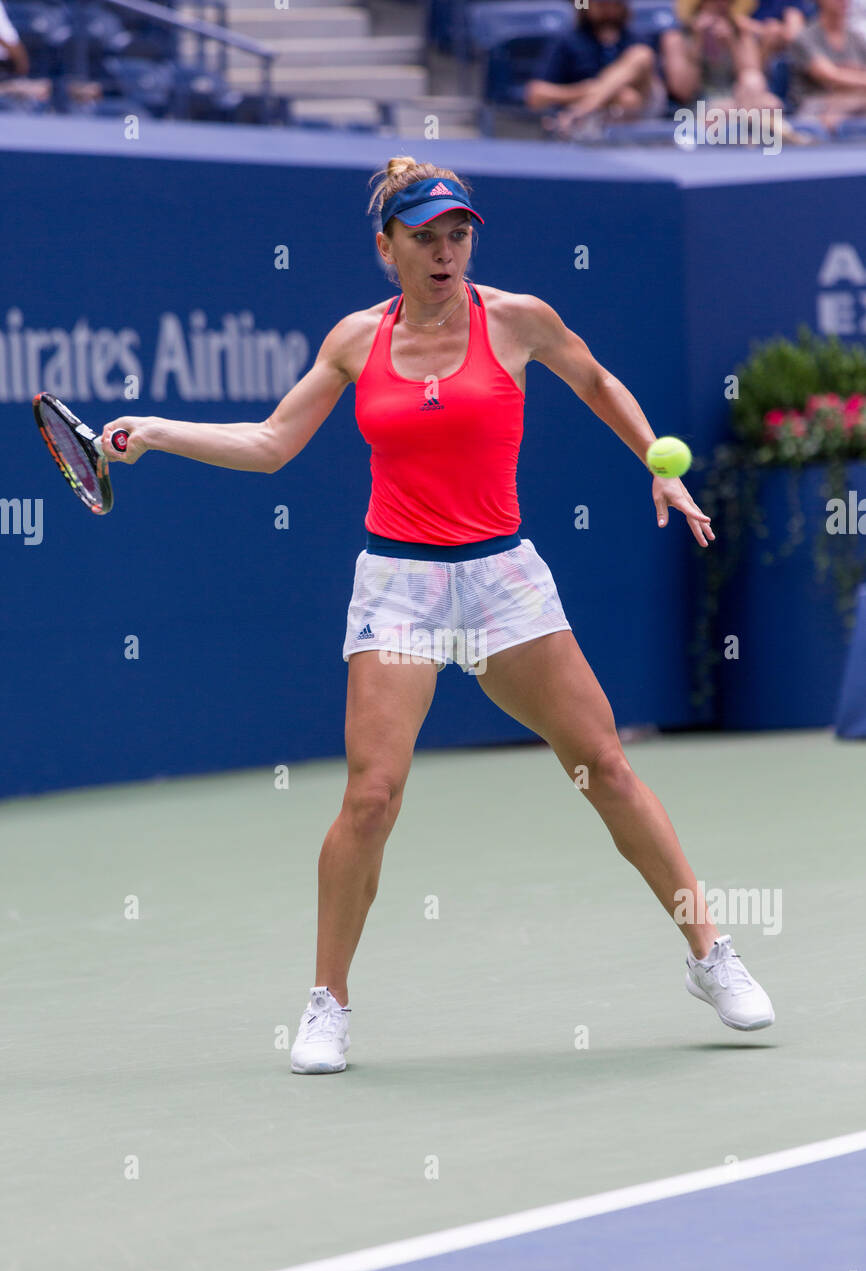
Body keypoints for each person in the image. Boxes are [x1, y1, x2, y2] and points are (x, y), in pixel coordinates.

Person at [99, 157, 776, 1075]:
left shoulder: (519, 320)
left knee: (606, 766)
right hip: (400, 586)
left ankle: (710, 956)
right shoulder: (353, 341)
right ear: (387, 248)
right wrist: (161, 432)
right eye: (425, 237)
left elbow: (598, 381)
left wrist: (658, 462)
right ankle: (327, 1003)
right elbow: (270, 444)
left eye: (458, 234)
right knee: (371, 797)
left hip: (503, 579)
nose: (446, 252)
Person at [524, 0, 673, 134]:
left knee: (642, 55)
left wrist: (590, 95)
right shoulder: (569, 41)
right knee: (626, 98)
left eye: (614, 3)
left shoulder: (637, 38)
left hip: (644, 110)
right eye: (601, 4)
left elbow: (655, 89)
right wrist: (586, 90)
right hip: (597, 122)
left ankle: (577, 113)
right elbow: (535, 95)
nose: (608, 9)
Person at [667, 0, 786, 117]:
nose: (722, 5)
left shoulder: (741, 32)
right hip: (700, 104)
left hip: (739, 99)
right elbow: (683, 91)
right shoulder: (677, 37)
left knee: (765, 96)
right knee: (760, 109)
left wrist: (731, 43)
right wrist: (697, 43)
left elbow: (753, 74)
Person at [787, 0, 866, 126]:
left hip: (856, 105)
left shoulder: (857, 40)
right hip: (813, 109)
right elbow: (830, 76)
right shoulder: (805, 37)